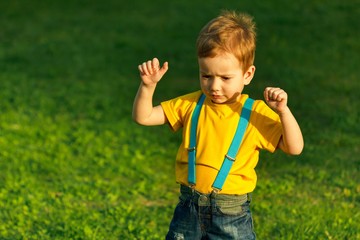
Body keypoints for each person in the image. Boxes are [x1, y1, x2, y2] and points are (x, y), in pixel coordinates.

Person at [132, 10, 303, 240]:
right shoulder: (191, 104)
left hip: (231, 213)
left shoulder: (254, 113)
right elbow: (144, 117)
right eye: (206, 76)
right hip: (189, 207)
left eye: (225, 78)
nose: (214, 86)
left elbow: (294, 148)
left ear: (247, 74)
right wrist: (147, 87)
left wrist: (283, 111)